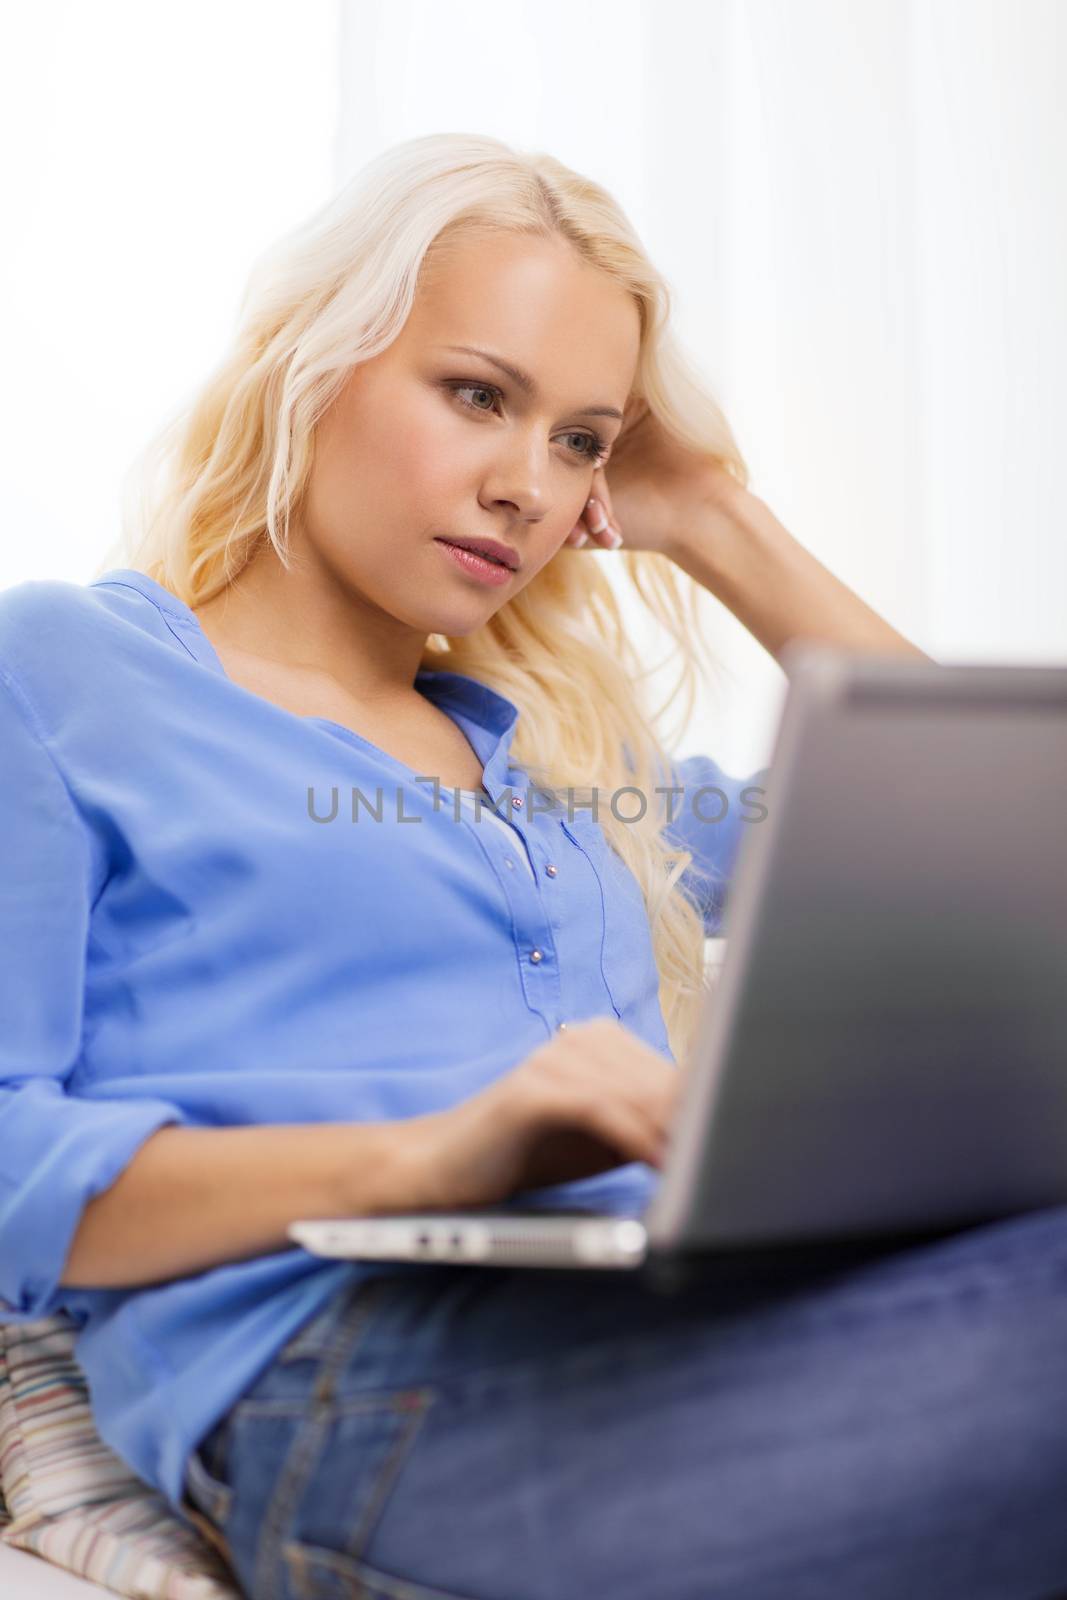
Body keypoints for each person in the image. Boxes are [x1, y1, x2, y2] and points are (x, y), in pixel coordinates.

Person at [1, 131, 1065, 1600]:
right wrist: (426, 1162)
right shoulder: (62, 674)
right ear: (310, 367)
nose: (527, 485)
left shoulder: (571, 767)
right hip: (351, 1382)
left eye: (580, 442)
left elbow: (979, 847)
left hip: (658, 1319)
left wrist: (714, 520)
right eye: (478, 395)